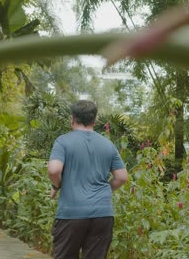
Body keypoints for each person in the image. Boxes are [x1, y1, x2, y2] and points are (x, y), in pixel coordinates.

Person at [48, 100, 128, 259]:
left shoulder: (63, 142)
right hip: (102, 215)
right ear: (95, 120)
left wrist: (57, 185)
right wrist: (104, 191)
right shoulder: (108, 145)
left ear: (72, 118)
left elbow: (54, 169)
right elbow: (122, 177)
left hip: (71, 214)